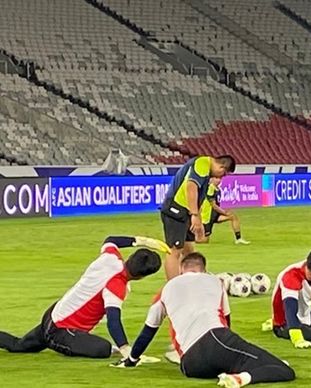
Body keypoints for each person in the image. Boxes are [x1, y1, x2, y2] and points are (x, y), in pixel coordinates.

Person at [112, 252, 295, 388]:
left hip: (190, 366)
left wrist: (131, 360)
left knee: (253, 363)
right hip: (215, 340)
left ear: (182, 269)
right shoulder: (215, 282)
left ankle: (237, 372)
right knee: (283, 369)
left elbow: (147, 332)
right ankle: (239, 379)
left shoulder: (166, 289)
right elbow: (226, 321)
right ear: (203, 269)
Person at [0, 236, 167, 359]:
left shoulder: (110, 258)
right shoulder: (116, 285)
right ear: (141, 277)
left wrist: (140, 240)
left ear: (130, 258)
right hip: (61, 331)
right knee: (103, 349)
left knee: (18, 346)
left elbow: (111, 240)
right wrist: (125, 349)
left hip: (53, 315)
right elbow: (113, 321)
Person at [160, 154, 235, 280]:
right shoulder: (202, 163)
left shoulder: (206, 174)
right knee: (174, 250)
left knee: (189, 251)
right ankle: (172, 288)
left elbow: (199, 197)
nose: (221, 177)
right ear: (222, 167)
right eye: (224, 174)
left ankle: (191, 282)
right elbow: (191, 187)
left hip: (186, 212)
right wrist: (194, 215)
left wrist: (198, 219)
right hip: (176, 209)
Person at [197, 177, 250, 245]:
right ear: (211, 179)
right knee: (204, 241)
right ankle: (189, 239)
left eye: (219, 179)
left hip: (215, 214)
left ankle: (238, 239)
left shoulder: (217, 189)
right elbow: (213, 205)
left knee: (233, 216)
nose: (218, 180)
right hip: (207, 217)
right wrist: (224, 212)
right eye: (216, 178)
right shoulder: (210, 188)